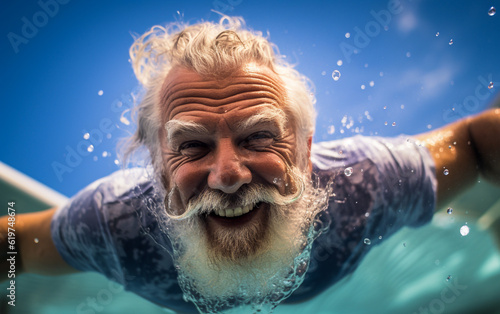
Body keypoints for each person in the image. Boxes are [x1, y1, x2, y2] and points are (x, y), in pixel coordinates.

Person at [1, 16, 499, 313]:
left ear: (305, 151)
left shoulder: (366, 182)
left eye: (259, 136)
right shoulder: (110, 223)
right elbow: (13, 245)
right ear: (156, 168)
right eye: (192, 146)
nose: (229, 175)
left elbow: (477, 143)